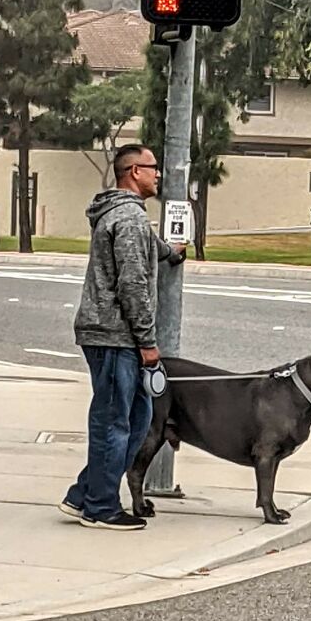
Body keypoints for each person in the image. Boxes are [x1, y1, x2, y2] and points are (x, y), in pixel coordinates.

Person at [59, 144, 186, 531]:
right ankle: (99, 507)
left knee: (137, 416)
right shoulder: (129, 218)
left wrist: (170, 252)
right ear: (133, 172)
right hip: (116, 336)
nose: (158, 174)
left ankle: (83, 494)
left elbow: (143, 251)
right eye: (152, 168)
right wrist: (148, 343)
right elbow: (132, 284)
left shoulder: (122, 215)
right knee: (115, 421)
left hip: (113, 335)